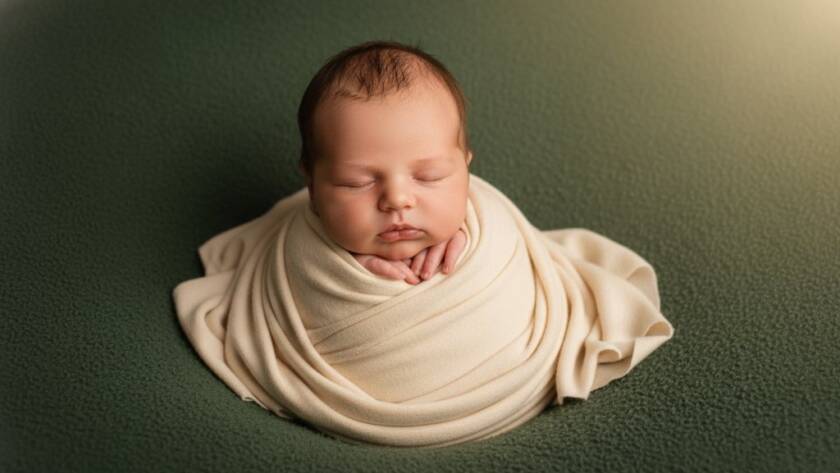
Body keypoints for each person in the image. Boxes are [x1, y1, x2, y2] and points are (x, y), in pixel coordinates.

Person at [296, 40, 473, 285]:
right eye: (356, 183)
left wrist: (470, 240)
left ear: (466, 169)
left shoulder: (488, 231)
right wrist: (340, 270)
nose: (397, 199)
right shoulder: (296, 251)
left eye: (429, 176)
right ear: (312, 188)